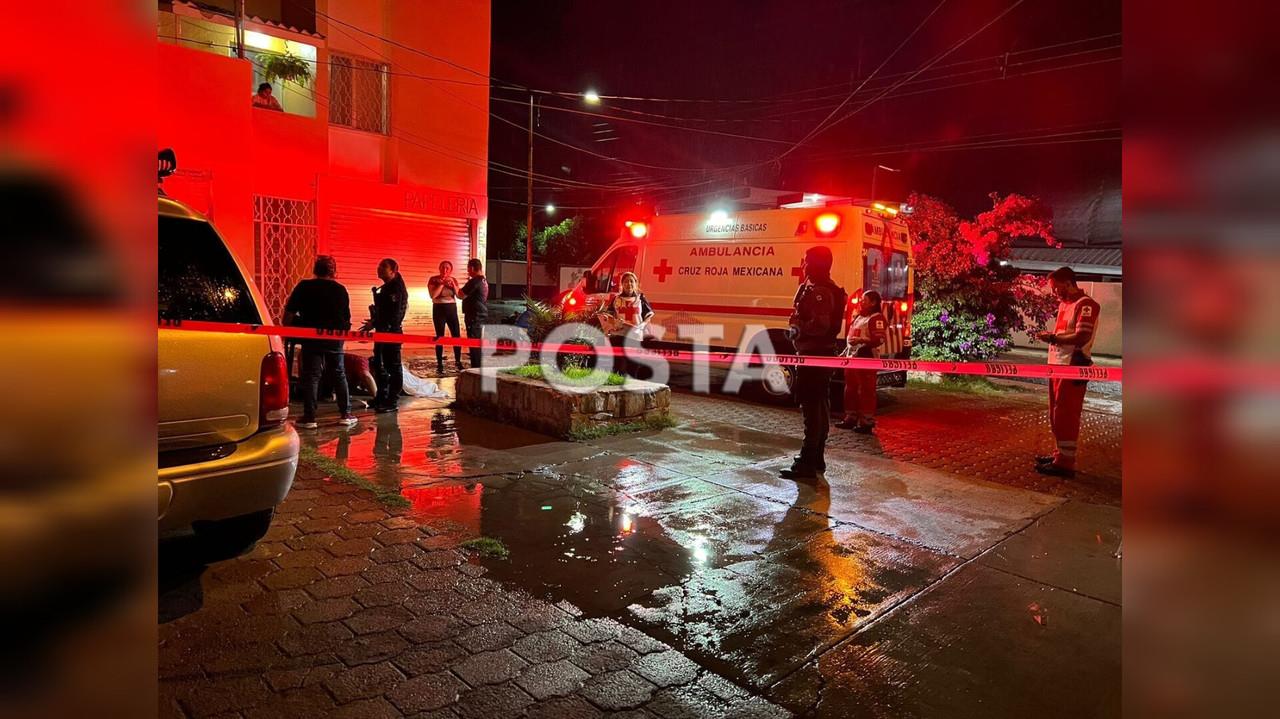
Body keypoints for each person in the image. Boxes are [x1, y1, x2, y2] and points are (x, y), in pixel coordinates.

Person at [782, 246, 846, 483]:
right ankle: (815, 457)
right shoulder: (821, 289)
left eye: (807, 261)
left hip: (815, 355)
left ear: (817, 264)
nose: (804, 266)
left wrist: (799, 327)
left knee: (812, 408)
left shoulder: (821, 293)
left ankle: (808, 460)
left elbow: (819, 326)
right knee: (819, 405)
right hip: (817, 354)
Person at [1034, 266, 1101, 477]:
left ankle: (1065, 463)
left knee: (1066, 414)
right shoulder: (1065, 305)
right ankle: (1059, 455)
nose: (1055, 293)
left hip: (1072, 367)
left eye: (1056, 288)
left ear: (1069, 283)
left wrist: (1052, 338)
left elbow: (1081, 336)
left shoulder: (1086, 305)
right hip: (1057, 365)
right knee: (1056, 413)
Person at [283, 255, 356, 429]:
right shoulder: (340, 290)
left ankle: (309, 417)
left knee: (311, 376)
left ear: (315, 269)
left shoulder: (304, 287)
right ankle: (345, 414)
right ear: (334, 271)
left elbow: (288, 316)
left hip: (311, 338)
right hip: (334, 338)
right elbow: (346, 318)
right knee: (338, 373)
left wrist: (296, 327)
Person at [836, 290, 888, 434]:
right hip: (852, 359)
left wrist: (862, 341)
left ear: (873, 302)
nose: (861, 302)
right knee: (850, 389)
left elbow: (879, 340)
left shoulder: (876, 318)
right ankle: (850, 417)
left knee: (866, 390)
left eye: (864, 300)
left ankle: (866, 421)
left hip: (867, 359)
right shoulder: (859, 317)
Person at [599, 271, 654, 377]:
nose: (629, 284)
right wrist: (613, 322)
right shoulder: (616, 299)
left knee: (633, 366)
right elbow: (608, 317)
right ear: (622, 284)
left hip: (635, 336)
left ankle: (631, 389)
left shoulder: (640, 299)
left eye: (631, 281)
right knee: (617, 365)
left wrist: (642, 326)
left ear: (635, 283)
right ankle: (616, 389)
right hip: (618, 336)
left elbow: (648, 317)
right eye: (626, 282)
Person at [370, 258, 408, 413]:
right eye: (379, 265)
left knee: (393, 366)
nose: (379, 269)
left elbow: (394, 314)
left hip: (391, 332)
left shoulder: (396, 289)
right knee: (379, 365)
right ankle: (381, 396)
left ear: (393, 270)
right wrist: (374, 321)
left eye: (383, 267)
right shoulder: (386, 287)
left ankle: (392, 401)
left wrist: (377, 322)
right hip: (382, 330)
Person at [427, 260, 464, 374]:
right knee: (439, 336)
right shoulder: (433, 279)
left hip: (451, 309)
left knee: (456, 335)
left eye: (447, 268)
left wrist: (453, 285)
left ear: (451, 270)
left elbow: (459, 295)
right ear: (439, 268)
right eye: (443, 267)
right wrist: (442, 283)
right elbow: (433, 295)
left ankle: (458, 361)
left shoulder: (453, 280)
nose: (445, 270)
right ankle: (439, 363)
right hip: (439, 309)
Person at [458, 258, 488, 368]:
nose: (468, 271)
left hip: (474, 315)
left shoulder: (475, 281)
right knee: (477, 341)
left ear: (471, 268)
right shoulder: (483, 280)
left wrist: (454, 285)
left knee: (474, 342)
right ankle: (477, 366)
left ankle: (476, 368)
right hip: (480, 314)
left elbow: (461, 295)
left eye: (468, 269)